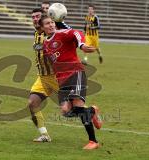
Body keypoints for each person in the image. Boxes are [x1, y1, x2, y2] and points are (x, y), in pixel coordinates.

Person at [39, 15, 102, 150]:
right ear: (42, 28)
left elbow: (76, 33)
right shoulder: (45, 44)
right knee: (66, 111)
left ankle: (93, 141)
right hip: (62, 79)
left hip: (75, 73)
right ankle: (92, 111)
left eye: (51, 22)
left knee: (78, 107)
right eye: (47, 24)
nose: (51, 25)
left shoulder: (62, 34)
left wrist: (82, 45)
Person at [28, 8, 59, 142]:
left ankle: (92, 112)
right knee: (32, 102)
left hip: (57, 77)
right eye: (33, 17)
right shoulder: (36, 34)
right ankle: (44, 135)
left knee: (72, 110)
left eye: (37, 17)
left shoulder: (52, 35)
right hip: (42, 77)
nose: (35, 19)